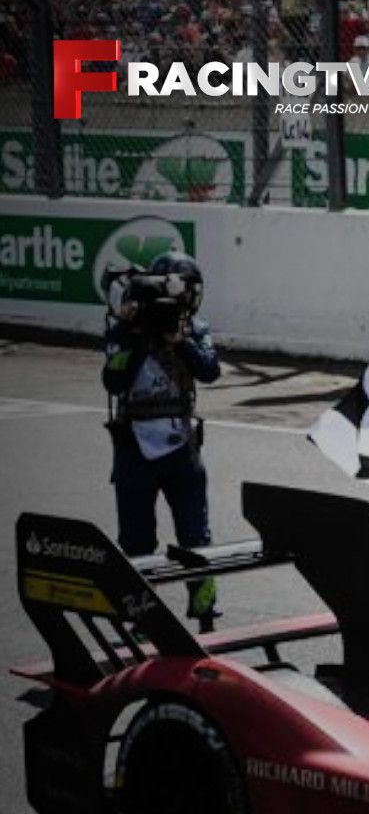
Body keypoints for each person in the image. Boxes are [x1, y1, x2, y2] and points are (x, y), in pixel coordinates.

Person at [102, 251, 222, 629]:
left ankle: (205, 614)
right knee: (136, 540)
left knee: (195, 536)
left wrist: (178, 339)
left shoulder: (195, 329)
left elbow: (210, 371)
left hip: (182, 449)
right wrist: (135, 334)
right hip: (134, 448)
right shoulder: (124, 331)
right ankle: (139, 618)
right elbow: (113, 382)